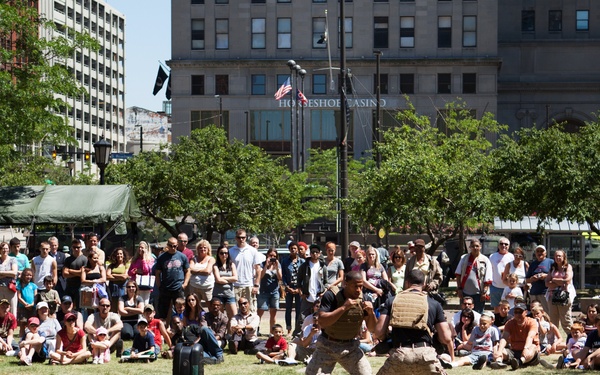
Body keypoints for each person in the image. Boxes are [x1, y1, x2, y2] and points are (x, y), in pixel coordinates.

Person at [374, 269, 453, 375]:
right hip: (426, 356)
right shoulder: (434, 304)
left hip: (400, 356)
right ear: (424, 283)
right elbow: (446, 338)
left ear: (406, 283)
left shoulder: (392, 300)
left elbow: (378, 333)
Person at [305, 271, 376, 375]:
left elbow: (373, 329)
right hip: (327, 346)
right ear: (346, 284)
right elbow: (322, 321)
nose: (358, 290)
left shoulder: (364, 298)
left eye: (361, 286)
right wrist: (344, 308)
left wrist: (371, 313)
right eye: (355, 286)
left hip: (350, 347)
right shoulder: (331, 296)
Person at [490, 302, 540, 369]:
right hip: (514, 351)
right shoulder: (510, 323)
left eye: (520, 312)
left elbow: (530, 337)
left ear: (526, 312)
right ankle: (498, 362)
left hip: (529, 352)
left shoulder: (532, 322)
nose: (518, 314)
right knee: (498, 346)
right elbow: (504, 338)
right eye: (516, 312)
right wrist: (499, 350)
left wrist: (526, 348)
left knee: (533, 347)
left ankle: (519, 362)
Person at [154, 237, 190, 320]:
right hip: (165, 288)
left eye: (174, 246)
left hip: (178, 288)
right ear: (167, 245)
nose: (173, 248)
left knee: (180, 310)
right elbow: (157, 273)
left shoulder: (182, 256)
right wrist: (159, 286)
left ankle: (180, 328)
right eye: (171, 246)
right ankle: (165, 329)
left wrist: (185, 284)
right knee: (163, 312)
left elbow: (188, 270)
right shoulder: (162, 257)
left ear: (177, 245)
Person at [455, 239, 492, 313]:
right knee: (465, 314)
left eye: (477, 246)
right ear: (470, 247)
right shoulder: (464, 258)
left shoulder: (485, 260)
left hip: (479, 294)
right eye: (473, 246)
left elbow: (488, 278)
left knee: (478, 314)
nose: (475, 248)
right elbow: (458, 274)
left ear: (480, 247)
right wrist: (459, 289)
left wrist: (484, 292)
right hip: (465, 292)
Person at [229, 229, 261, 312]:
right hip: (235, 285)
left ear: (246, 238)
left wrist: (256, 285)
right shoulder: (231, 251)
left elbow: (258, 269)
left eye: (243, 237)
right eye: (239, 237)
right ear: (236, 238)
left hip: (249, 285)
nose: (241, 239)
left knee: (251, 310)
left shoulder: (253, 251)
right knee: (236, 311)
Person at [545, 249, 575, 333]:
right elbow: (547, 283)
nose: (558, 257)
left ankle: (572, 339)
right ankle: (553, 340)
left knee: (565, 320)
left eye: (560, 256)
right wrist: (561, 282)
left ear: (564, 257)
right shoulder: (552, 268)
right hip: (552, 296)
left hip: (564, 296)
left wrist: (554, 280)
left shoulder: (567, 267)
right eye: (556, 256)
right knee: (553, 320)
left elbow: (568, 280)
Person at [297, 245, 328, 325]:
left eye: (316, 252)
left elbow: (326, 282)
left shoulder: (323, 266)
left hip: (319, 296)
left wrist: (323, 292)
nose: (314, 254)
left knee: (320, 316)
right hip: (307, 296)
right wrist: (301, 293)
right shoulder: (304, 266)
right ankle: (299, 334)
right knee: (302, 317)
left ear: (319, 254)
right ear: (310, 253)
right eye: (313, 252)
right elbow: (299, 281)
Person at [281, 241, 304, 336]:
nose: (293, 250)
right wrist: (286, 286)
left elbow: (304, 276)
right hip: (289, 287)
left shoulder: (302, 262)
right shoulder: (285, 261)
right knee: (288, 309)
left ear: (298, 249)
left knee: (299, 309)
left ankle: (298, 329)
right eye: (291, 248)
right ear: (289, 249)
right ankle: (289, 329)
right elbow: (283, 275)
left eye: (295, 248)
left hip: (299, 288)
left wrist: (300, 288)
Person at [257, 247, 282, 329]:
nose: (272, 257)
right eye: (271, 255)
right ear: (267, 255)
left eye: (274, 256)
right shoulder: (262, 264)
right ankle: (256, 329)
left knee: (273, 312)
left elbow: (280, 277)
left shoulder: (278, 265)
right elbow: (261, 276)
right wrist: (266, 266)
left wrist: (277, 267)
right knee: (260, 311)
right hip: (264, 291)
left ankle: (272, 331)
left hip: (274, 292)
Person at [212, 244, 238, 321]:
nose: (224, 255)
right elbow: (218, 280)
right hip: (218, 294)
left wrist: (224, 278)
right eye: (221, 253)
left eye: (226, 253)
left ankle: (230, 333)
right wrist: (230, 279)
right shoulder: (215, 266)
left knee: (233, 316)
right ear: (218, 254)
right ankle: (221, 332)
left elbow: (236, 278)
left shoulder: (232, 265)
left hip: (229, 294)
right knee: (220, 318)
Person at [489, 237, 514, 313]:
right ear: (498, 245)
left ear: (509, 246)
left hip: (507, 287)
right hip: (495, 287)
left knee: (508, 308)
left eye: (506, 244)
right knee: (496, 309)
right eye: (501, 244)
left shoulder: (511, 257)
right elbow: (490, 271)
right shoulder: (492, 256)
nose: (503, 245)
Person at [526, 245, 553, 313]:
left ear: (545, 253)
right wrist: (532, 279)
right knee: (534, 312)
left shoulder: (550, 262)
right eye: (538, 251)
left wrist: (546, 276)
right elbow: (527, 279)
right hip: (534, 292)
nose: (539, 253)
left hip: (545, 292)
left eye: (541, 251)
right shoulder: (533, 264)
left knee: (546, 313)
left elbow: (555, 276)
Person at [62, 239, 87, 309]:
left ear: (81, 247)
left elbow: (83, 273)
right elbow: (64, 274)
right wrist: (78, 273)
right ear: (71, 247)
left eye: (78, 247)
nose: (76, 249)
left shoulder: (84, 259)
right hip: (69, 286)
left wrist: (70, 270)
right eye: (74, 247)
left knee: (80, 307)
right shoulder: (68, 259)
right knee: (67, 306)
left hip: (80, 286)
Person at [189, 240, 215, 306]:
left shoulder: (211, 259)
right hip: (194, 286)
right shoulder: (193, 259)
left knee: (210, 306)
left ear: (208, 249)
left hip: (207, 287)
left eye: (204, 247)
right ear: (197, 249)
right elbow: (191, 270)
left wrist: (196, 271)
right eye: (200, 247)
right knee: (194, 306)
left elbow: (208, 271)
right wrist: (202, 270)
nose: (202, 249)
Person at [0, 242, 18, 317]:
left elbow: (14, 273)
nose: (5, 250)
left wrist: (1, 273)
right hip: (0, 288)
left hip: (10, 288)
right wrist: (8, 274)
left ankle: (11, 326)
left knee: (12, 309)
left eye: (6, 248)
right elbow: (11, 273)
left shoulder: (12, 259)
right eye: (3, 248)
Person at [16, 267, 37, 333]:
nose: (29, 277)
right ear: (23, 276)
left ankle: (31, 337)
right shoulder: (20, 285)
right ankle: (21, 338)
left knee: (32, 323)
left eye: (30, 275)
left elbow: (35, 296)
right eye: (27, 275)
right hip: (23, 307)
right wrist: (26, 304)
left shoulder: (33, 285)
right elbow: (19, 297)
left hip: (32, 307)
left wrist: (32, 304)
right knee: (23, 323)